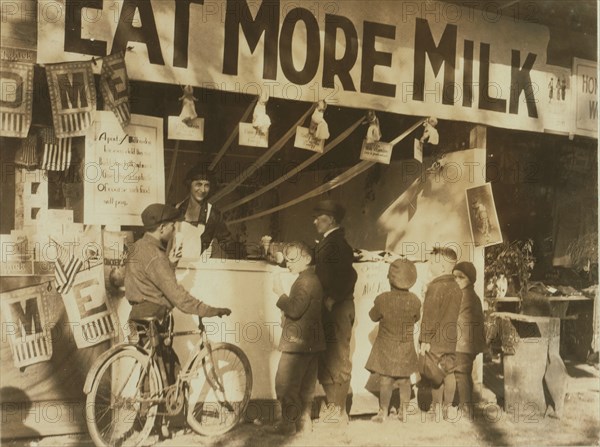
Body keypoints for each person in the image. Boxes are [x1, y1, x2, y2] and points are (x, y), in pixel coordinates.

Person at [125, 203, 232, 437]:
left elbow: (148, 282)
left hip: (137, 315)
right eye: (173, 225)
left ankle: (153, 424)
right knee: (162, 369)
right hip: (155, 317)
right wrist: (210, 310)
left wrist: (170, 263)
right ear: (162, 227)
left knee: (156, 368)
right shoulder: (155, 255)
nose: (175, 229)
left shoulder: (137, 248)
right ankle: (153, 424)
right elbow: (179, 297)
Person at [269, 242, 326, 435]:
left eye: (292, 259)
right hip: (312, 343)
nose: (288, 264)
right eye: (286, 259)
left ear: (307, 259)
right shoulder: (313, 279)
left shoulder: (304, 282)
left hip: (297, 344)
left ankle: (287, 425)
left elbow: (295, 309)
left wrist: (280, 293)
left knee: (285, 384)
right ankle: (304, 424)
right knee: (306, 386)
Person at [312, 199, 357, 424]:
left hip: (338, 309)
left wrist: (334, 297)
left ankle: (340, 412)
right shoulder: (330, 241)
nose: (314, 221)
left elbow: (350, 276)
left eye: (319, 218)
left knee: (338, 358)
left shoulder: (338, 244)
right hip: (332, 308)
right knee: (329, 357)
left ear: (330, 220)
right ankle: (333, 407)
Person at [365, 259, 421, 423]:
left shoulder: (382, 299)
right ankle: (404, 411)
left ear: (390, 278)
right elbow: (417, 318)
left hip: (386, 347)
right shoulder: (415, 300)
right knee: (404, 380)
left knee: (386, 380)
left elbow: (372, 316)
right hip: (405, 346)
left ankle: (383, 412)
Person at [419, 247, 461, 418]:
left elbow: (429, 316)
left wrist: (424, 339)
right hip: (450, 336)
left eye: (433, 262)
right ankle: (447, 408)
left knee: (434, 373)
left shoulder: (435, 287)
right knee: (448, 371)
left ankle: (435, 409)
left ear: (443, 267)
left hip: (435, 338)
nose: (430, 266)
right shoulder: (456, 287)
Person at [174, 164, 236, 258]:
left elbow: (227, 242)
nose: (203, 190)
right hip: (177, 268)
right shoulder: (176, 209)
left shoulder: (213, 214)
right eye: (198, 184)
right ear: (189, 184)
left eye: (206, 185)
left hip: (201, 269)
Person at [452, 261, 486, 417]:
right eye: (455, 277)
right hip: (469, 343)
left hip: (463, 343)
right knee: (465, 372)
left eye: (461, 277)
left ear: (470, 279)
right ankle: (467, 403)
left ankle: (465, 406)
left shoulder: (463, 296)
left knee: (461, 373)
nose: (457, 280)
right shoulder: (474, 296)